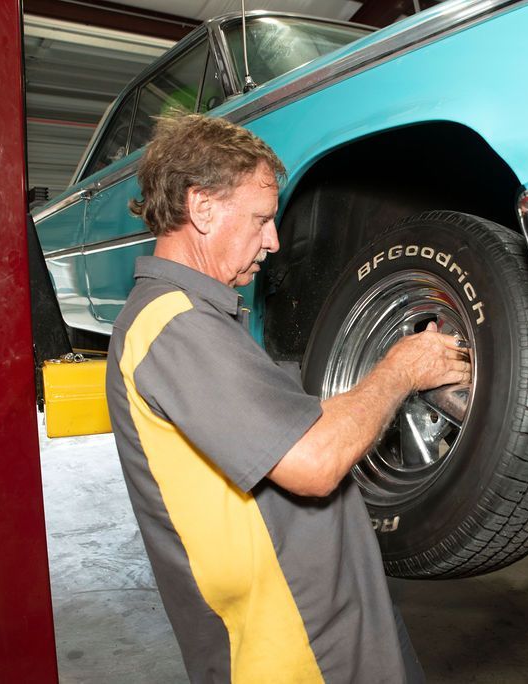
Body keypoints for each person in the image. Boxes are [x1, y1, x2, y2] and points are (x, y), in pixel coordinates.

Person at [105, 113, 470, 684]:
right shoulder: (174, 324)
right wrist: (399, 371)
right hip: (289, 647)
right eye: (262, 219)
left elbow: (294, 428)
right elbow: (313, 463)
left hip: (317, 621)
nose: (274, 241)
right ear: (201, 208)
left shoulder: (197, 318)